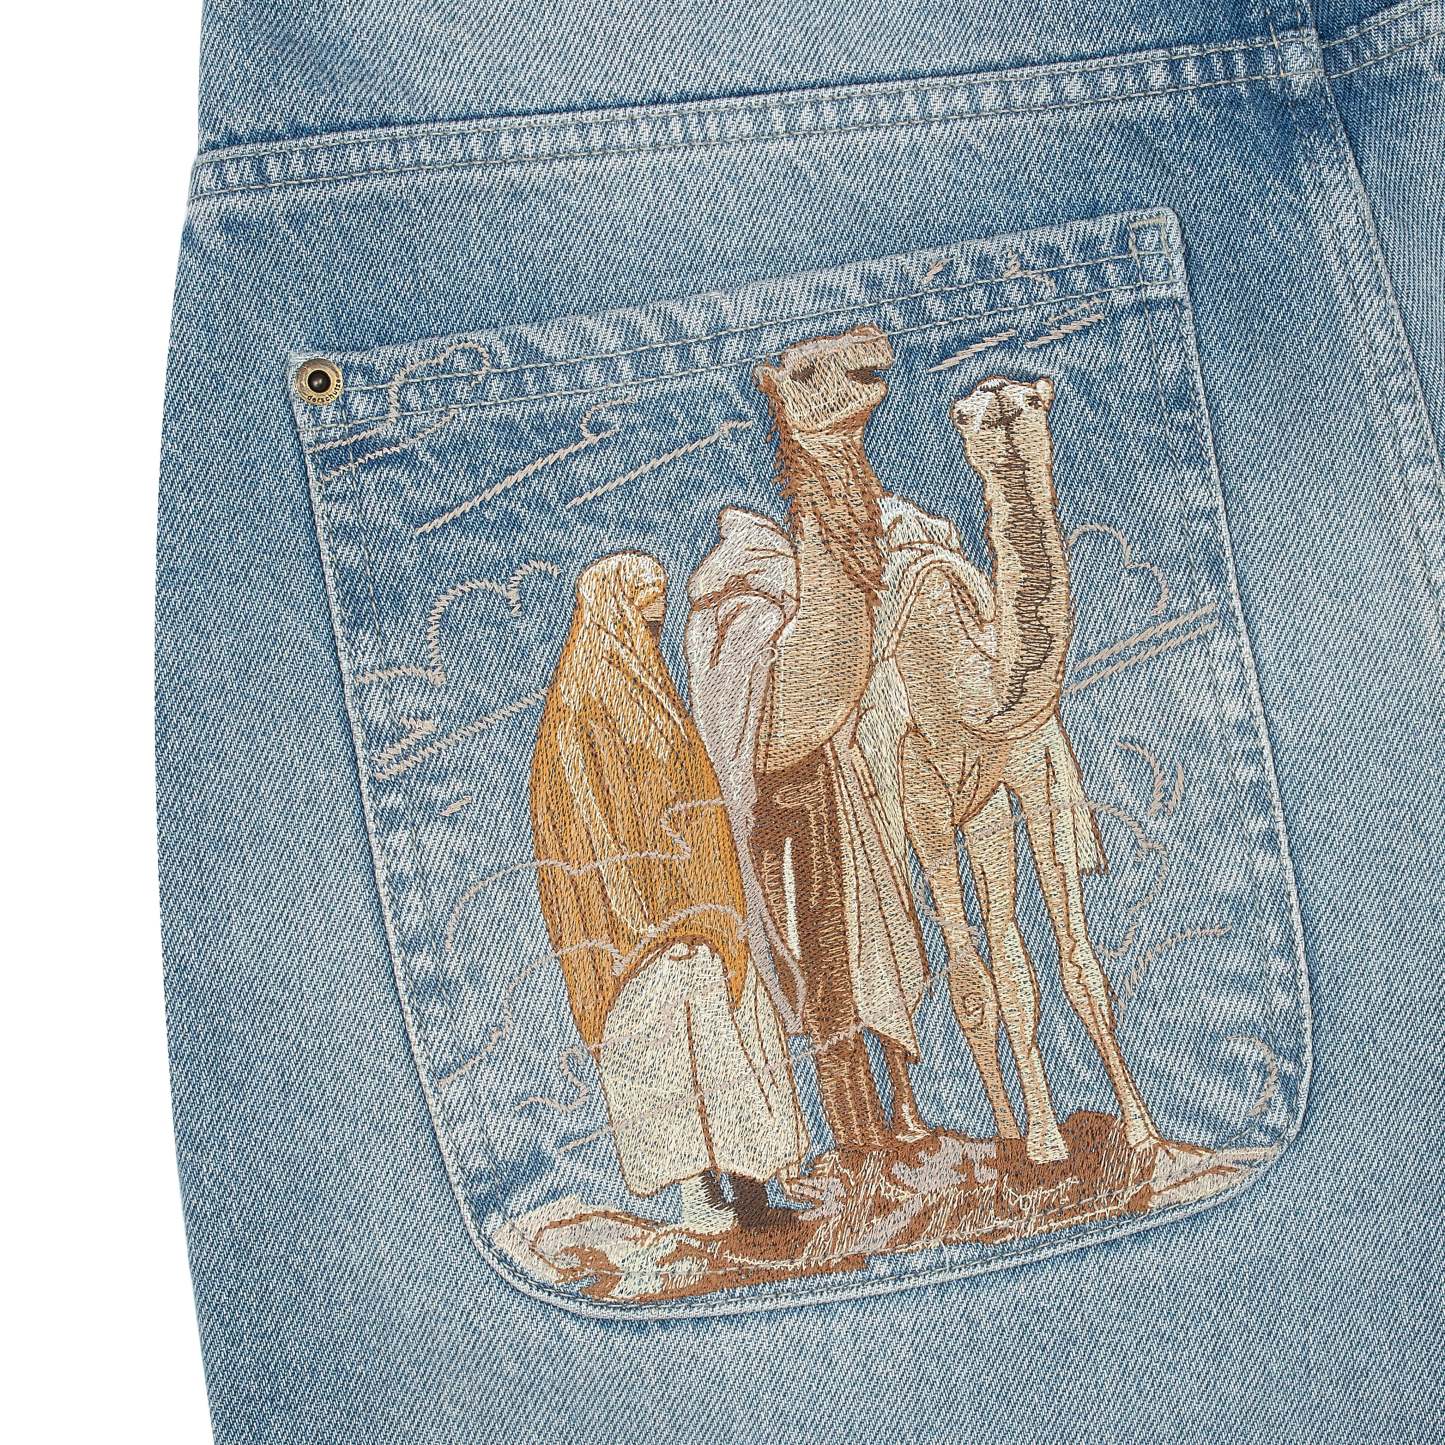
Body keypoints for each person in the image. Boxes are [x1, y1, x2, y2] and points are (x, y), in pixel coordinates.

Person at [528, 551, 807, 1232]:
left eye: (656, 626)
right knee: (669, 1062)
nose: (652, 638)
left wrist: (712, 908)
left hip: (700, 913)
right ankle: (697, 1198)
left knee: (730, 1050)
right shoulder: (579, 710)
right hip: (642, 936)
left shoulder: (652, 695)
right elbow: (586, 831)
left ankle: (752, 1192)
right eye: (643, 624)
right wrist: (643, 926)